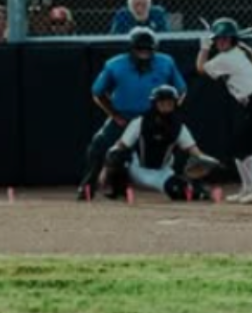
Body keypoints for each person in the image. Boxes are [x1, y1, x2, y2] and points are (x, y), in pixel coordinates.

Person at [79, 27, 187, 200]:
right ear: (130, 49)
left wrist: (168, 114)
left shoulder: (166, 63)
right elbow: (97, 92)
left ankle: (185, 186)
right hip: (124, 116)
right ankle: (88, 188)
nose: (144, 53)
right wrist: (114, 115)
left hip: (154, 118)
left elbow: (181, 90)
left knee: (180, 143)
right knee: (99, 145)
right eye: (139, 49)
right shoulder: (115, 65)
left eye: (148, 50)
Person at [196, 17, 252, 204]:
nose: (222, 42)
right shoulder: (241, 52)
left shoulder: (228, 58)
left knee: (244, 148)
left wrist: (204, 48)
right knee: (236, 148)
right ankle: (248, 188)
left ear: (233, 40)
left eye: (226, 39)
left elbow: (201, 69)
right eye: (219, 39)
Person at [95, 85, 216, 202]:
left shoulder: (179, 127)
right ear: (154, 103)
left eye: (169, 102)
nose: (166, 105)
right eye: (162, 102)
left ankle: (196, 190)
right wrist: (105, 170)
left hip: (162, 173)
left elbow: (195, 152)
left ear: (175, 103)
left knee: (181, 191)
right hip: (137, 170)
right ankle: (117, 190)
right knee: (117, 153)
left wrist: (207, 162)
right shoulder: (140, 122)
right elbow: (119, 146)